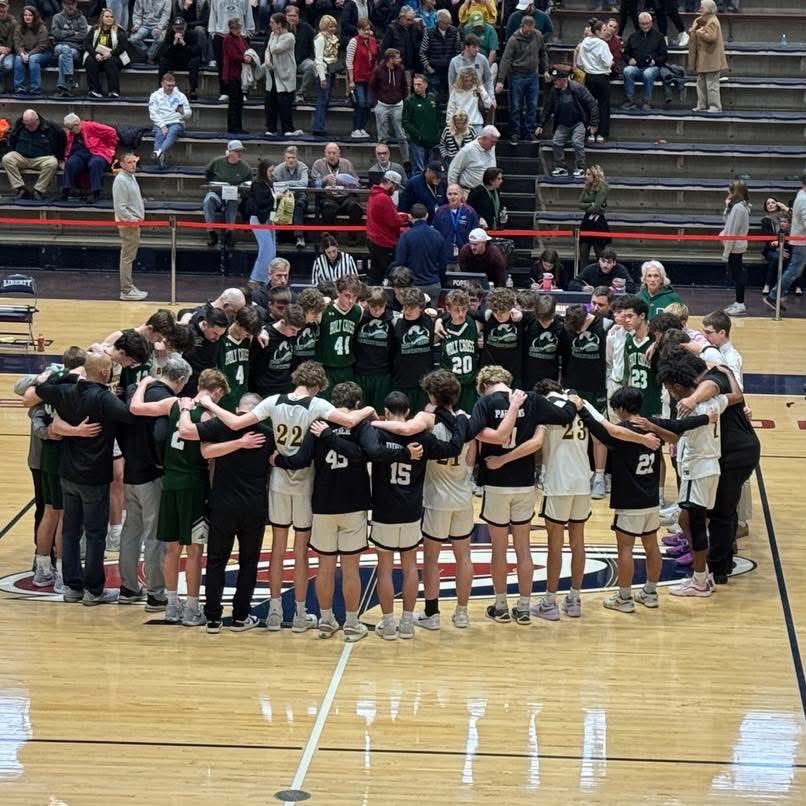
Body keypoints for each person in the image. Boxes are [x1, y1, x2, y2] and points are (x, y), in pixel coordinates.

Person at [198, 360, 376, 632]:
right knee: (300, 552)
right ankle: (300, 616)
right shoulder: (316, 405)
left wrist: (209, 404)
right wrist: (369, 408)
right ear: (317, 386)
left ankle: (273, 613)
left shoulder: (272, 401)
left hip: (279, 483)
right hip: (305, 484)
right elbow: (351, 419)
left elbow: (235, 422)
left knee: (278, 550)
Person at [271, 382, 384, 642]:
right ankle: (352, 623)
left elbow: (300, 460)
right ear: (357, 405)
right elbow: (367, 454)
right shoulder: (361, 426)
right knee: (350, 568)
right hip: (354, 505)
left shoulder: (318, 425)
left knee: (325, 567)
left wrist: (276, 459)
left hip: (323, 505)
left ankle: (326, 620)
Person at [24, 353, 137, 605]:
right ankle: (93, 590)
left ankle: (72, 587)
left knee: (70, 532)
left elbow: (41, 388)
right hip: (94, 477)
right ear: (106, 373)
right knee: (96, 535)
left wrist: (68, 374)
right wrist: (133, 391)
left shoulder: (66, 391)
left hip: (67, 473)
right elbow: (130, 415)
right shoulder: (105, 398)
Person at [364, 389, 464, 639]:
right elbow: (452, 448)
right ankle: (407, 623)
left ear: (386, 412)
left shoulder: (376, 433)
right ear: (408, 412)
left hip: (384, 509)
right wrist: (460, 422)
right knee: (410, 566)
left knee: (385, 568)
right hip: (411, 510)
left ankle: (388, 625)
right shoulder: (422, 436)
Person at [186, 392, 273, 633]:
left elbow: (204, 450)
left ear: (237, 408)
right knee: (248, 563)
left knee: (216, 561)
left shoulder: (220, 424)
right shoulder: (267, 433)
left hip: (222, 504)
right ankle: (240, 618)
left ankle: (212, 618)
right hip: (253, 506)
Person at [117, 353, 192, 610]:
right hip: (151, 475)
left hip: (131, 471)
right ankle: (156, 593)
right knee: (155, 537)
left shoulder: (135, 388)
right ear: (180, 379)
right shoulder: (166, 399)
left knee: (131, 532)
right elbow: (161, 435)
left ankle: (128, 588)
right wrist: (161, 462)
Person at [537, 67, 599, 179]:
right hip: (563, 123)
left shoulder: (577, 88)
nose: (554, 82)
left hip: (578, 122)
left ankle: (580, 168)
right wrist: (541, 125)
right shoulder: (554, 91)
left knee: (577, 142)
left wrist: (593, 123)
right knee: (556, 141)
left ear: (563, 80)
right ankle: (561, 167)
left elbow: (592, 104)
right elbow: (547, 109)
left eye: (556, 80)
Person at [495, 15, 547, 146]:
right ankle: (515, 133)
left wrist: (545, 69)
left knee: (532, 106)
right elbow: (506, 59)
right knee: (516, 106)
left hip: (533, 75)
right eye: (527, 29)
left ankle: (529, 132)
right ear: (522, 27)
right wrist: (501, 80)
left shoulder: (538, 36)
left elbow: (543, 53)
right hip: (517, 75)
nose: (529, 32)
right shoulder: (514, 39)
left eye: (531, 29)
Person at [764, 172, 806, 315]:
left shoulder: (800, 195)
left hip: (800, 240)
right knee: (794, 270)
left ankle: (774, 295)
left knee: (795, 270)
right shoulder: (804, 199)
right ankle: (774, 295)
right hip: (802, 241)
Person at [2, 109, 64, 201]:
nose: (28, 127)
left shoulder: (50, 127)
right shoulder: (20, 124)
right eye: (26, 124)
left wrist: (60, 158)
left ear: (37, 120)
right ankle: (20, 189)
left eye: (30, 125)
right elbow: (13, 139)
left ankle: (38, 191)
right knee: (7, 158)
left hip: (41, 158)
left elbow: (61, 139)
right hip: (22, 157)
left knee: (52, 162)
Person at [112, 153, 149, 303]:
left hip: (134, 222)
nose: (133, 164)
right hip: (129, 224)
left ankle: (128, 287)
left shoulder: (130, 176)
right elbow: (120, 207)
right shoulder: (121, 180)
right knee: (127, 257)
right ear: (122, 164)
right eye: (129, 162)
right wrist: (131, 220)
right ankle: (126, 290)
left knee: (129, 257)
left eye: (134, 162)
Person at [203, 139, 253, 248]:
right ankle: (211, 233)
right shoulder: (217, 162)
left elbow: (249, 185)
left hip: (235, 194)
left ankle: (229, 233)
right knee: (208, 200)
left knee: (232, 201)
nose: (239, 153)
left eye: (240, 151)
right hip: (217, 193)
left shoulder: (245, 168)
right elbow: (208, 173)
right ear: (230, 152)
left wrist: (241, 193)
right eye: (236, 151)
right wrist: (211, 184)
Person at [395, 203, 447, 301]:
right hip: (433, 284)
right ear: (427, 215)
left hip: (412, 287)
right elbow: (443, 264)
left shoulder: (406, 236)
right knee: (431, 313)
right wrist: (440, 281)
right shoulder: (438, 236)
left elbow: (400, 263)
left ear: (410, 217)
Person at [61, 113, 117, 203]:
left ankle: (95, 192)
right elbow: (68, 148)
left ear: (77, 125)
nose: (70, 131)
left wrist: (110, 147)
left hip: (98, 151)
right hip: (80, 153)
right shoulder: (71, 133)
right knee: (70, 163)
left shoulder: (91, 126)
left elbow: (111, 131)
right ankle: (66, 190)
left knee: (95, 163)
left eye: (71, 128)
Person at [310, 142, 363, 235]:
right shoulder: (318, 164)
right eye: (329, 153)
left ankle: (352, 237)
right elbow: (313, 184)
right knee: (328, 208)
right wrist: (324, 180)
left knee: (356, 207)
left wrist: (347, 182)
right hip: (327, 197)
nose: (331, 156)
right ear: (325, 153)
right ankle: (331, 237)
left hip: (346, 197)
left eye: (334, 153)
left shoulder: (346, 163)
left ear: (339, 154)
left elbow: (357, 183)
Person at [369, 48, 410, 165]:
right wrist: (375, 103)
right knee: (382, 136)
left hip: (397, 104)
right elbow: (372, 86)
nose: (400, 60)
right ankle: (382, 161)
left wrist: (402, 98)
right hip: (382, 104)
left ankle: (406, 160)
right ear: (390, 59)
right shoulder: (378, 70)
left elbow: (404, 85)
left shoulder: (400, 69)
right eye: (397, 58)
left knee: (401, 134)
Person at [622, 12, 667, 111]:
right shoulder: (633, 36)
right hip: (636, 67)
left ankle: (647, 102)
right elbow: (625, 53)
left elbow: (664, 56)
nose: (645, 26)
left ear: (651, 23)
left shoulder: (659, 36)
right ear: (639, 23)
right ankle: (630, 101)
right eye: (643, 23)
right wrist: (629, 59)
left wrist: (655, 61)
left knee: (648, 73)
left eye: (647, 23)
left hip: (653, 68)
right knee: (627, 71)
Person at [367, 170, 406, 284]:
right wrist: (406, 218)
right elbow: (393, 221)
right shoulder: (383, 198)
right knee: (390, 275)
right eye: (396, 186)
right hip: (384, 242)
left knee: (375, 274)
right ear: (390, 183)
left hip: (374, 239)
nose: (395, 190)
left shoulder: (374, 194)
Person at [577, 19, 613, 144]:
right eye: (604, 30)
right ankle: (601, 134)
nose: (606, 31)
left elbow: (579, 63)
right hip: (602, 77)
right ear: (597, 31)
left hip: (589, 77)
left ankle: (589, 133)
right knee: (603, 106)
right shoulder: (603, 44)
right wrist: (609, 63)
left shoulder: (584, 43)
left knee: (589, 106)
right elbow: (608, 62)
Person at [688, 0, 727, 113]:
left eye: (702, 7)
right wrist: (694, 30)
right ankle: (701, 104)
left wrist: (700, 32)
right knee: (701, 84)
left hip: (712, 59)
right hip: (703, 58)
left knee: (712, 85)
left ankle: (715, 106)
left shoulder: (713, 21)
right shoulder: (700, 20)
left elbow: (711, 37)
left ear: (709, 8)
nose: (700, 9)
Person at [264, 12, 298, 137]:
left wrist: (275, 38)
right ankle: (271, 128)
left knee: (284, 103)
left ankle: (287, 128)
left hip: (285, 73)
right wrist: (267, 60)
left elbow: (274, 49)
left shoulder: (289, 37)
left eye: (272, 22)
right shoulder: (272, 34)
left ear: (279, 24)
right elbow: (267, 50)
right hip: (272, 71)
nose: (270, 25)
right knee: (270, 101)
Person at [83, 9, 128, 99]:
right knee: (90, 61)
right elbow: (87, 44)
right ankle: (95, 90)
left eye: (111, 17)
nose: (109, 19)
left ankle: (113, 91)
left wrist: (110, 53)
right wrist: (95, 54)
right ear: (102, 18)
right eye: (106, 16)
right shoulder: (95, 29)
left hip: (114, 56)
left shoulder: (119, 30)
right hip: (98, 56)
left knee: (110, 62)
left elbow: (123, 46)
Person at [148, 72, 191, 169]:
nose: (170, 87)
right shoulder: (155, 96)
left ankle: (158, 152)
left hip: (177, 122)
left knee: (173, 131)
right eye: (168, 85)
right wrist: (162, 125)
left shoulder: (181, 96)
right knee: (159, 134)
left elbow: (189, 113)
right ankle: (161, 160)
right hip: (161, 122)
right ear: (162, 84)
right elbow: (153, 113)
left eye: (172, 85)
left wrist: (183, 113)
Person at [721, 179, 751, 317]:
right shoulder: (739, 206)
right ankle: (738, 302)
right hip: (736, 245)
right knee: (736, 273)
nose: (728, 192)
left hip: (735, 247)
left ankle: (740, 303)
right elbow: (728, 222)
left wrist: (726, 253)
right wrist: (727, 207)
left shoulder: (739, 208)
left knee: (737, 274)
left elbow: (732, 230)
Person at [419, 9, 461, 105]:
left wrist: (456, 68)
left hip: (450, 70)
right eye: (445, 23)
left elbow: (458, 51)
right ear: (438, 22)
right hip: (434, 70)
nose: (447, 25)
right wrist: (429, 68)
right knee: (434, 99)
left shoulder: (455, 32)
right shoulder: (429, 32)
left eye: (449, 23)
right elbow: (422, 52)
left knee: (451, 98)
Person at [402, 73, 442, 174]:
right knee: (418, 169)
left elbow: (439, 117)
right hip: (417, 142)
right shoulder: (409, 101)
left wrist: (438, 133)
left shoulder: (433, 98)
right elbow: (405, 122)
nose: (416, 87)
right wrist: (418, 135)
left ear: (426, 85)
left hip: (432, 140)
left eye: (419, 84)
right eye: (415, 85)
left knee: (431, 169)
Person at [245, 158, 276, 288]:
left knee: (271, 250)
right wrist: (275, 197)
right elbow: (260, 202)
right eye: (270, 170)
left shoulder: (269, 183)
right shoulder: (257, 184)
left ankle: (264, 278)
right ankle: (255, 279)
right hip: (258, 219)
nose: (272, 173)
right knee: (266, 250)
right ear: (264, 170)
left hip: (268, 218)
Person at [346, 18, 378, 139]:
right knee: (361, 103)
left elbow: (375, 59)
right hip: (358, 77)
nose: (366, 32)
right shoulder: (353, 42)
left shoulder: (373, 41)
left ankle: (363, 128)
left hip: (370, 77)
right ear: (358, 30)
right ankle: (355, 128)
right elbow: (349, 61)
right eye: (364, 30)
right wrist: (351, 80)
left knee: (369, 103)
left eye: (368, 29)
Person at [157, 17, 203, 101]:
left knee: (195, 61)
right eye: (177, 28)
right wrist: (174, 44)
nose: (179, 31)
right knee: (163, 61)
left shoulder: (192, 34)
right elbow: (163, 53)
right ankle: (161, 88)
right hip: (174, 61)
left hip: (186, 61)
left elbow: (196, 52)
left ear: (185, 26)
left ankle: (193, 90)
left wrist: (184, 44)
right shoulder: (170, 34)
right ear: (173, 28)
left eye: (181, 28)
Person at [433, 184, 479, 265]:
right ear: (446, 195)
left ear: (461, 195)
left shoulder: (470, 212)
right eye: (450, 194)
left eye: (455, 194)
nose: (452, 197)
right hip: (444, 257)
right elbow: (435, 234)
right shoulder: (440, 211)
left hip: (464, 257)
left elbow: (475, 234)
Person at [273, 145, 309, 250]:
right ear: (285, 158)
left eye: (293, 158)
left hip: (299, 195)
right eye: (288, 158)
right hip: (282, 196)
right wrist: (291, 185)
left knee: (298, 205)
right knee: (274, 203)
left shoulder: (303, 167)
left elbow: (304, 183)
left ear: (297, 158)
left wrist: (285, 184)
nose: (291, 160)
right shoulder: (278, 169)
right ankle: (276, 235)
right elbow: (275, 184)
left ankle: (299, 237)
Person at [50, 0, 87, 97]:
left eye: (72, 4)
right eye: (67, 4)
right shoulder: (57, 17)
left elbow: (83, 36)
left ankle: (63, 86)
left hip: (75, 48)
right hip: (59, 46)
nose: (70, 6)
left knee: (63, 57)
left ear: (76, 4)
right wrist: (72, 33)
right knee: (65, 49)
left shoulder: (82, 18)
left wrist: (64, 35)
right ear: (63, 4)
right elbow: (56, 34)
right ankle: (69, 78)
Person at [760, 196, 795, 297]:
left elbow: (792, 228)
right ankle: (767, 284)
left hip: (786, 247)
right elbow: (767, 238)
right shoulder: (765, 220)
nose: (771, 204)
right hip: (771, 249)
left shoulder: (784, 217)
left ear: (777, 204)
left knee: (788, 257)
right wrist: (778, 248)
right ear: (766, 207)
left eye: (773, 202)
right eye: (768, 203)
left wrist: (784, 207)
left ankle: (783, 286)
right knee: (776, 258)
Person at [447, 124, 499, 191]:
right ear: (483, 138)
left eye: (495, 142)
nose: (494, 144)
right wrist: (454, 193)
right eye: (492, 142)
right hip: (468, 192)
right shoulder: (468, 150)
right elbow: (454, 170)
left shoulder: (491, 147)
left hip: (486, 192)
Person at [311, 15, 339, 137]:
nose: (333, 28)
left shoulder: (334, 38)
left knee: (326, 100)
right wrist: (322, 77)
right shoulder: (320, 38)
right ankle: (317, 127)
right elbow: (319, 59)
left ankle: (320, 125)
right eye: (330, 26)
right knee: (322, 100)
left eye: (334, 26)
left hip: (331, 71)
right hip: (323, 72)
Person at [13, 6, 50, 96]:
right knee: (18, 59)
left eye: (30, 15)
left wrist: (29, 55)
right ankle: (19, 87)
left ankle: (36, 89)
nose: (27, 17)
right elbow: (18, 44)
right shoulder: (19, 28)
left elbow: (42, 46)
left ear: (34, 16)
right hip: (25, 52)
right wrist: (22, 53)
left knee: (33, 59)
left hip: (42, 54)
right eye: (25, 15)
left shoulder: (42, 28)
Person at [578, 164, 611, 264]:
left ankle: (601, 275)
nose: (585, 176)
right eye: (586, 174)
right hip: (587, 221)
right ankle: (583, 276)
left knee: (600, 253)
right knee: (583, 252)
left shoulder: (603, 187)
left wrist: (590, 206)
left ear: (595, 175)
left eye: (588, 174)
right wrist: (591, 205)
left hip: (598, 222)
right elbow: (579, 204)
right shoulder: (587, 187)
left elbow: (596, 207)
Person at [222, 17, 250, 134]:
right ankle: (233, 127)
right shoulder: (228, 39)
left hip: (240, 74)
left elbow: (247, 50)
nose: (237, 30)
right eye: (235, 28)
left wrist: (249, 56)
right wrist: (244, 58)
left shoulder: (241, 38)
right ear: (230, 28)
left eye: (238, 28)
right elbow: (232, 56)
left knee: (239, 102)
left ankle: (238, 126)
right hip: (232, 74)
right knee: (234, 103)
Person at [448, 33, 494, 103]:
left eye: (478, 47)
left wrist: (492, 98)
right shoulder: (454, 61)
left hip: (479, 98)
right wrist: (452, 102)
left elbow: (488, 80)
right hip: (462, 99)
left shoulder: (482, 59)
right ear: (466, 47)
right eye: (474, 47)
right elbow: (451, 84)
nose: (477, 49)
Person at [569, 246, 634, 292]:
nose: (605, 265)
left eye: (609, 262)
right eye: (603, 261)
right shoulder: (591, 269)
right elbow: (572, 284)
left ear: (614, 263)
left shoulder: (621, 270)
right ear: (599, 260)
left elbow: (632, 287)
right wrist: (583, 288)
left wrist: (622, 287)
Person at [285, 5, 315, 104]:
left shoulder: (306, 28)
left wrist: (312, 58)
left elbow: (315, 44)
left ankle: (300, 93)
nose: (292, 18)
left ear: (298, 16)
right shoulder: (280, 28)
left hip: (302, 61)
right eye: (289, 15)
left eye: (294, 15)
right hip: (285, 62)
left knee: (312, 66)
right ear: (285, 16)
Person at [380, 5, 419, 79]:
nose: (410, 22)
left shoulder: (413, 29)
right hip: (396, 68)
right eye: (408, 20)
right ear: (401, 17)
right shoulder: (392, 29)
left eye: (412, 20)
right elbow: (384, 50)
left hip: (410, 68)